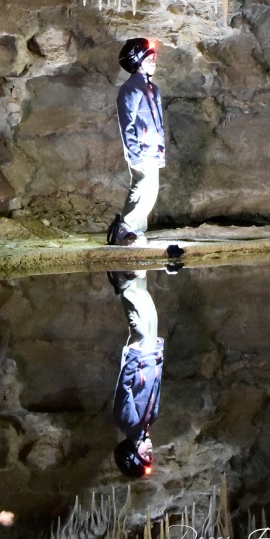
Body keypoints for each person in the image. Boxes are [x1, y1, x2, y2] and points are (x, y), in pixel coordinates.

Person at [108, 37, 164, 248]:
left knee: (151, 191)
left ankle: (137, 231)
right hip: (140, 149)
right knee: (140, 186)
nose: (153, 63)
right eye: (149, 59)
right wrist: (133, 153)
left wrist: (160, 151)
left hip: (152, 149)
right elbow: (127, 124)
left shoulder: (152, 89)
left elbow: (157, 123)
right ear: (137, 61)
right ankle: (125, 229)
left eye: (154, 59)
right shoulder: (130, 90)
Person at [109, 268, 162, 478]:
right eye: (151, 456)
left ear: (132, 454)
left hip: (139, 357)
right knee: (149, 312)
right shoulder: (151, 419)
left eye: (145, 456)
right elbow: (155, 384)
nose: (150, 452)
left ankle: (123, 280)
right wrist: (159, 353)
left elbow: (124, 386)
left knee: (138, 324)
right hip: (151, 356)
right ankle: (139, 275)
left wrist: (133, 355)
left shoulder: (127, 421)